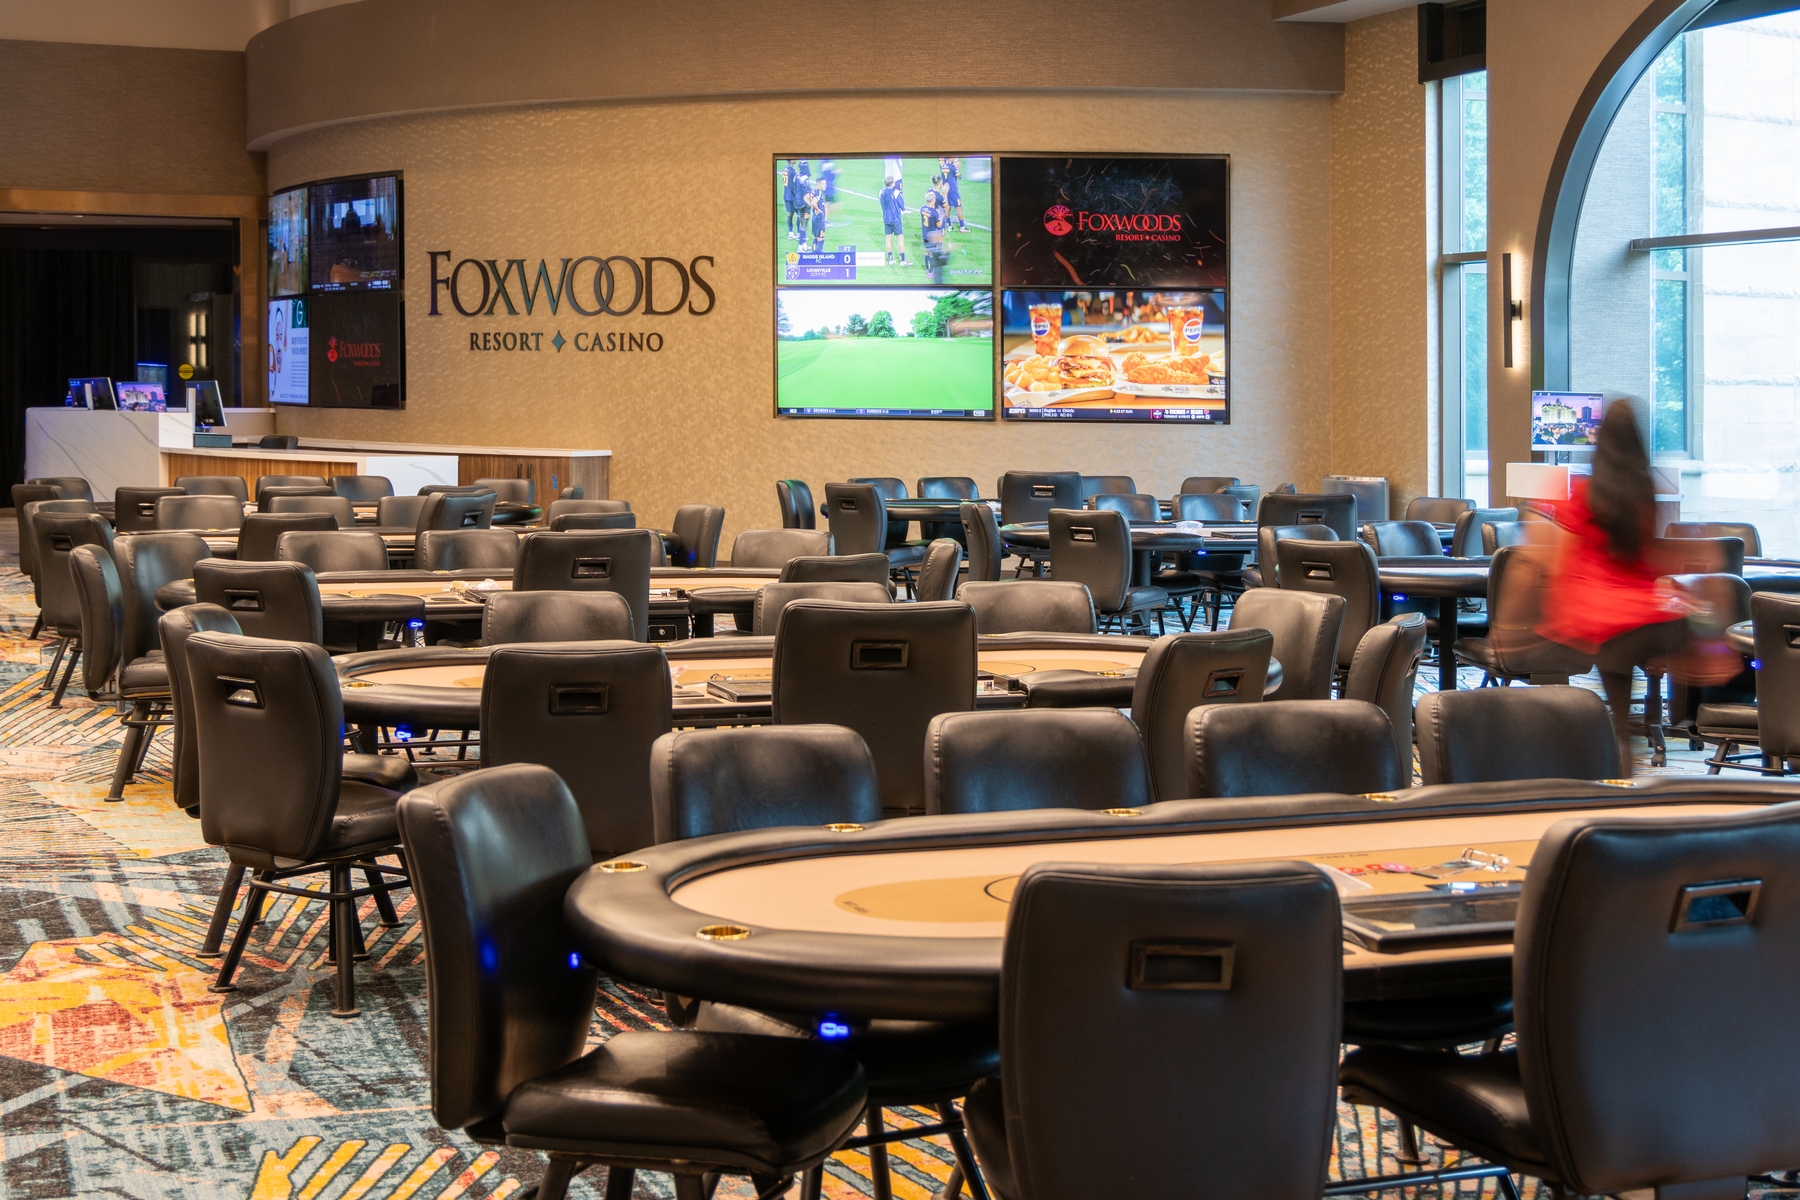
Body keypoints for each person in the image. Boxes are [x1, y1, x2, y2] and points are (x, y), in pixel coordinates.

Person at [1539, 401, 1691, 764]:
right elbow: (1651, 557)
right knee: (1620, 651)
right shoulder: (1646, 493)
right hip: (1654, 619)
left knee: (1602, 650)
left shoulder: (1587, 493)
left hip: (1605, 615)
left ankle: (1613, 741)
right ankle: (1638, 731)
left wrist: (1556, 610)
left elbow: (1564, 560)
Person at [879, 175, 907, 266]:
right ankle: (902, 260)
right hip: (895, 219)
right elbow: (902, 206)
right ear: (891, 183)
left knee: (888, 238)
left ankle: (890, 259)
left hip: (886, 219)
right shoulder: (896, 192)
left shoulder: (881, 192)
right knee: (900, 239)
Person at [939, 156, 967, 231]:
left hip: (946, 190)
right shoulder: (952, 167)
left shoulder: (943, 166)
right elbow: (959, 176)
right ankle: (962, 227)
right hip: (953, 191)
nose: (954, 159)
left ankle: (949, 226)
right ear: (950, 158)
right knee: (958, 208)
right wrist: (958, 168)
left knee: (947, 208)